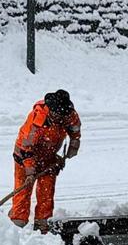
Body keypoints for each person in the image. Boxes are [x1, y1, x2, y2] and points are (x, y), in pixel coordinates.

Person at [10, 89, 81, 231]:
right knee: (23, 193)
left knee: (46, 194)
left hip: (48, 157)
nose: (60, 119)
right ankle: (17, 226)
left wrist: (68, 154)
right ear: (51, 110)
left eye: (63, 116)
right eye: (57, 115)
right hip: (25, 157)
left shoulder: (69, 115)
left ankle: (43, 227)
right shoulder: (37, 120)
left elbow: (75, 134)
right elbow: (26, 148)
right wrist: (30, 173)